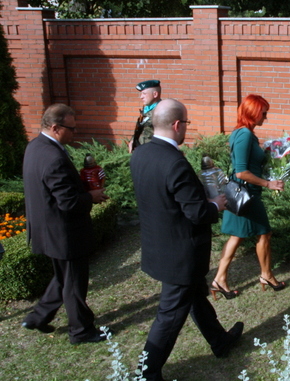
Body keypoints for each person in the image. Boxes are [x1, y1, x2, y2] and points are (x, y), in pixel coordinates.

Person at [130, 99, 243, 381]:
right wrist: (216, 204)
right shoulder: (174, 162)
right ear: (178, 125)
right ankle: (147, 372)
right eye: (187, 125)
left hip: (160, 244)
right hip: (180, 252)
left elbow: (166, 200)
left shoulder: (140, 153)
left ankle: (219, 341)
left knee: (196, 296)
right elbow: (196, 213)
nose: (186, 130)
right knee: (170, 315)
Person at [21, 103, 109, 344]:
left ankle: (37, 317)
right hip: (64, 232)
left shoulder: (35, 146)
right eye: (72, 128)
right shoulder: (54, 157)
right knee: (73, 283)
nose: (75, 133)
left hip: (46, 228)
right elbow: (69, 203)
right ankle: (80, 331)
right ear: (56, 127)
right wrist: (91, 196)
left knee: (63, 277)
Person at [212, 94, 286, 299]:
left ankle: (220, 279)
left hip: (242, 193)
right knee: (264, 232)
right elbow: (241, 172)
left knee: (238, 236)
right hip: (246, 194)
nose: (266, 117)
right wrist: (268, 183)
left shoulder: (242, 133)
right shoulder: (244, 135)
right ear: (254, 112)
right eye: (264, 113)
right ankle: (266, 275)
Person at [128, 79, 162, 153]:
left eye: (144, 93)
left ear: (155, 94)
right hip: (141, 151)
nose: (141, 97)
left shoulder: (162, 111)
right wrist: (133, 140)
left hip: (153, 153)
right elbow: (141, 128)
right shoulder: (147, 109)